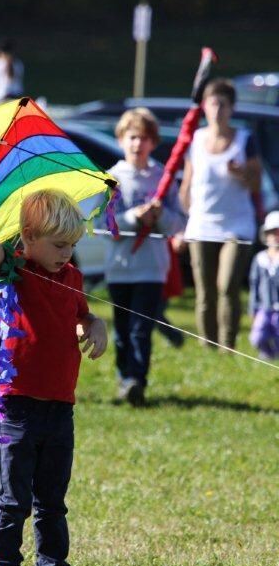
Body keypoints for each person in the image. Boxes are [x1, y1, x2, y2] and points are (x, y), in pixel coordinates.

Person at [0, 186, 107, 566]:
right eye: (59, 244)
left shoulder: (73, 278)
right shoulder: (13, 271)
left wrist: (94, 325)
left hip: (60, 408)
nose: (67, 253)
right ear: (28, 237)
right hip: (16, 408)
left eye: (72, 245)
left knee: (52, 503)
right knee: (13, 501)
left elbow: (82, 315)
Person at [105, 108, 185, 405]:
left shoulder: (162, 177)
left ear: (153, 142)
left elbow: (179, 222)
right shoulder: (112, 177)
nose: (138, 144)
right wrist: (132, 218)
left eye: (144, 138)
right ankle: (124, 377)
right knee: (123, 331)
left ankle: (137, 380)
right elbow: (105, 223)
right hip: (120, 267)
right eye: (132, 137)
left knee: (141, 330)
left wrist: (160, 215)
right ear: (121, 139)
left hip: (151, 268)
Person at [179, 78, 261, 349]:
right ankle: (208, 346)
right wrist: (186, 217)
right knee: (205, 293)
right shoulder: (196, 139)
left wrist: (241, 174)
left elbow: (257, 184)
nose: (217, 110)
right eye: (212, 103)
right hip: (202, 224)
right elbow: (187, 184)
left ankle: (228, 345)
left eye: (222, 104)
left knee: (227, 286)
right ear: (204, 106)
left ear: (232, 108)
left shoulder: (244, 140)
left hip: (237, 225)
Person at [248, 210, 279, 359]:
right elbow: (254, 285)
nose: (275, 236)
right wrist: (253, 307)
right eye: (272, 232)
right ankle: (267, 354)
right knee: (258, 335)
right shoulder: (260, 259)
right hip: (264, 307)